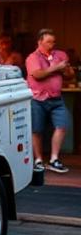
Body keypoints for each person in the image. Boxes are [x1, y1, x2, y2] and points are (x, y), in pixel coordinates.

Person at [26, 29, 71, 173]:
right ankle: (38, 160)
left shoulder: (60, 55)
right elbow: (37, 75)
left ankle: (54, 159)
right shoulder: (33, 57)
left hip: (56, 98)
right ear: (40, 42)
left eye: (53, 42)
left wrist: (66, 70)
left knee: (62, 125)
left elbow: (70, 75)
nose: (52, 45)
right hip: (38, 98)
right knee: (37, 130)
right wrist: (56, 68)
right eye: (48, 42)